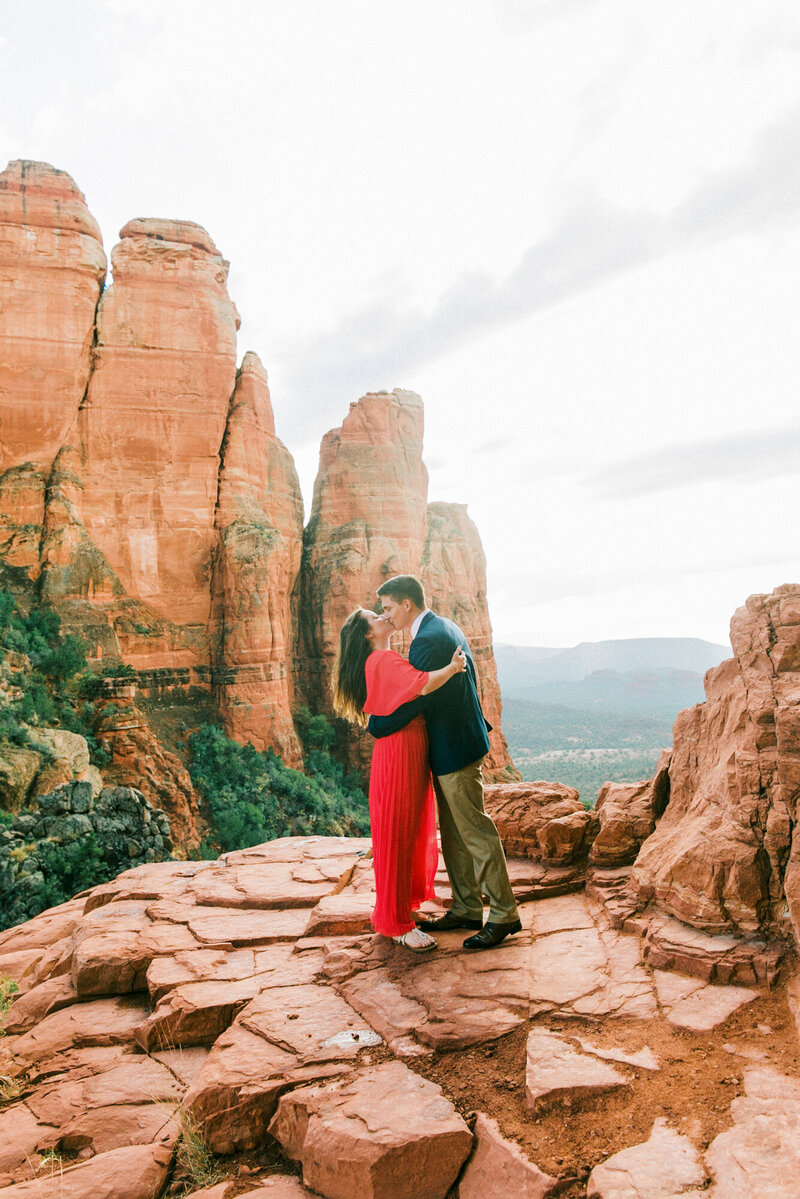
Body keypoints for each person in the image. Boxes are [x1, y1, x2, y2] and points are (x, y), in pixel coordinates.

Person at [367, 575, 521, 950]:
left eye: (388, 607)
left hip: (455, 747)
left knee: (473, 830)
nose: (386, 615)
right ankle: (467, 907)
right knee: (454, 833)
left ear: (406, 605)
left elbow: (416, 697)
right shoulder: (442, 626)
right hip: (455, 744)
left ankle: (503, 914)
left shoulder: (428, 640)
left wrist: (376, 724)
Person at [332, 606, 467, 952]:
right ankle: (396, 924)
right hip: (401, 751)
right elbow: (423, 686)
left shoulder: (381, 659)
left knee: (404, 831)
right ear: (368, 634)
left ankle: (400, 910)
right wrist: (453, 668)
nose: (382, 616)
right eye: (375, 617)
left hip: (402, 748)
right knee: (397, 834)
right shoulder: (383, 661)